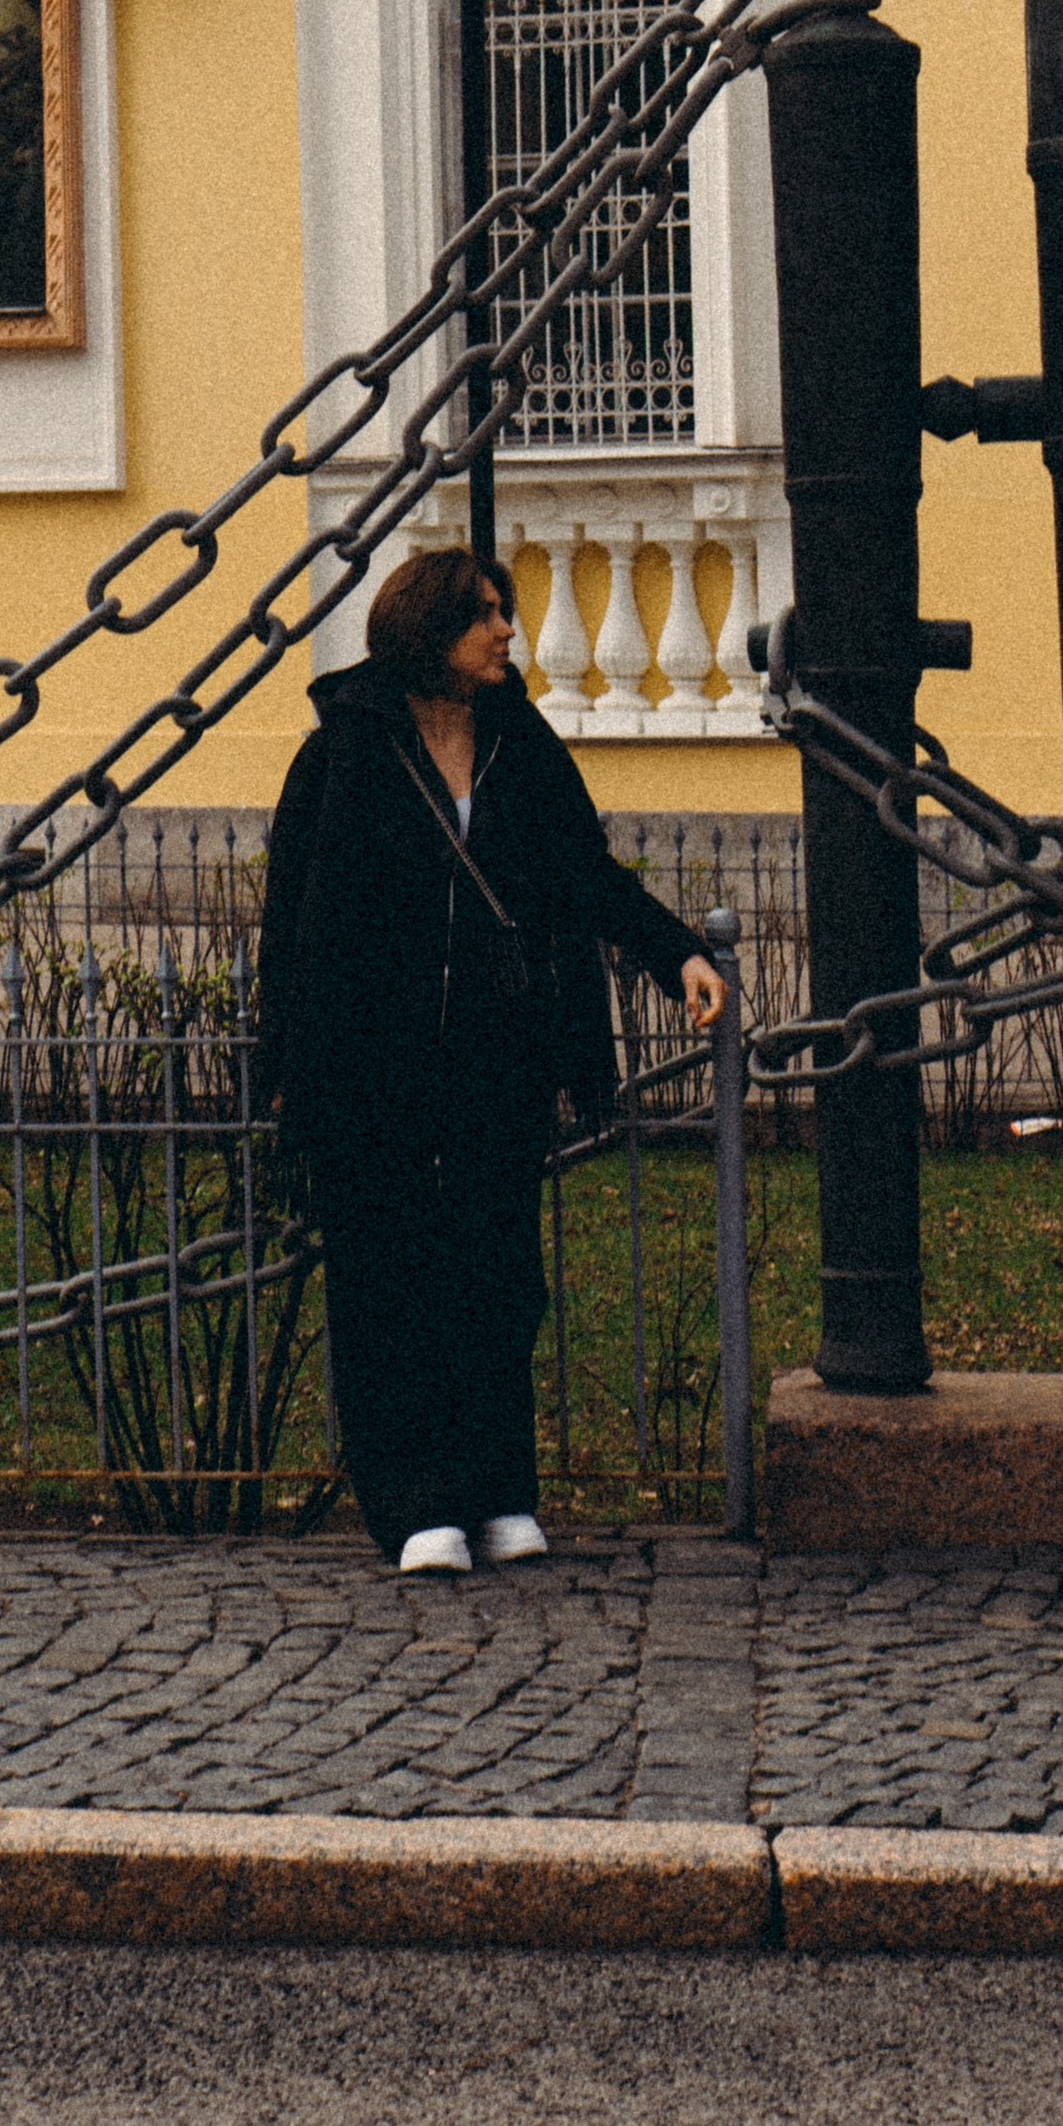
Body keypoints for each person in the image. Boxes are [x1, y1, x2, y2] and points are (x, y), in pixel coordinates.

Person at [258, 547, 725, 1572]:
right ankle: (414, 1504)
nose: (507, 629)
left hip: (494, 1055)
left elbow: (584, 873)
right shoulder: (345, 750)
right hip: (371, 1063)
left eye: (504, 611)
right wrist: (284, 1064)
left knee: (497, 1276)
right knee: (385, 1278)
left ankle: (499, 1489)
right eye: (484, 614)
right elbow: (292, 919)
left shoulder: (519, 739)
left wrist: (676, 952)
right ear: (429, 630)